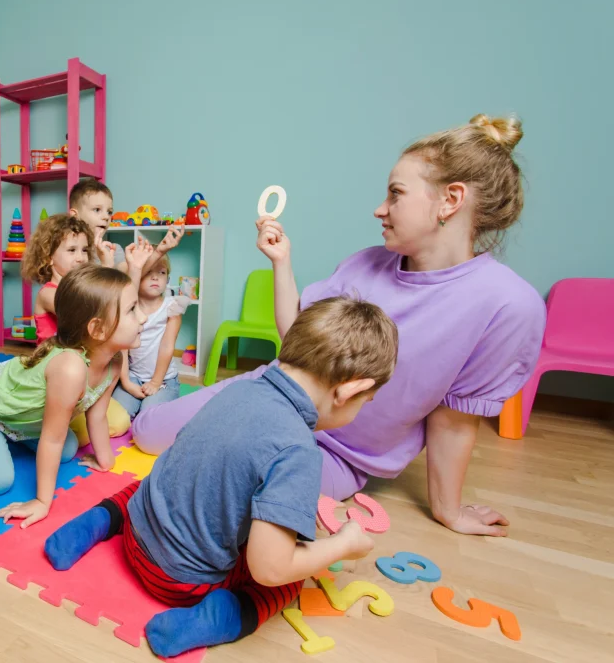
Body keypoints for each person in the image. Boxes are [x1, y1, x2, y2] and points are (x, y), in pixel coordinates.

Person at [131, 114, 547, 538]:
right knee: (147, 434)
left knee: (234, 497)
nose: (379, 209)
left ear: (450, 200)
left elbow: (455, 420)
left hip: (340, 453)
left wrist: (449, 510)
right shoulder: (365, 263)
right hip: (269, 396)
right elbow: (298, 340)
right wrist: (281, 262)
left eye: (395, 194)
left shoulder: (508, 306)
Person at [45, 296, 398, 658]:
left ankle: (95, 521)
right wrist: (342, 545)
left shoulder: (239, 387)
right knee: (286, 583)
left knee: (148, 484)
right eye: (364, 403)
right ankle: (203, 623)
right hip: (178, 581)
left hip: (136, 529)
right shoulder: (300, 451)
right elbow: (270, 568)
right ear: (349, 390)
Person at [0, 257, 152, 528]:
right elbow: (51, 439)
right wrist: (42, 501)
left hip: (26, 422)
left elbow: (97, 415)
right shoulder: (70, 368)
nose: (143, 317)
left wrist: (106, 461)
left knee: (69, 449)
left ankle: (14, 438)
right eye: (133, 310)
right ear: (97, 329)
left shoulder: (115, 361)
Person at [112, 254, 191, 417]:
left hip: (163, 380)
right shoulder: (128, 308)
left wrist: (155, 382)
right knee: (116, 415)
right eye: (149, 272)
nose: (155, 277)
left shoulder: (172, 307)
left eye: (161, 272)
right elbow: (122, 348)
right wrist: (126, 382)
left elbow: (167, 346)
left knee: (149, 416)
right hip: (133, 376)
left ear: (168, 278)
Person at [68, 179, 184, 279]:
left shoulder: (113, 250)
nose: (105, 217)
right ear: (75, 215)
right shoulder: (68, 250)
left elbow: (129, 278)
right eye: (97, 210)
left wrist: (159, 252)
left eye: (109, 212)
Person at [20, 214, 94, 345]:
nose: (81, 258)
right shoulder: (47, 293)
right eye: (72, 250)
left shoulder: (79, 290)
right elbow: (81, 314)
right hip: (51, 361)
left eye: (84, 250)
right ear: (49, 258)